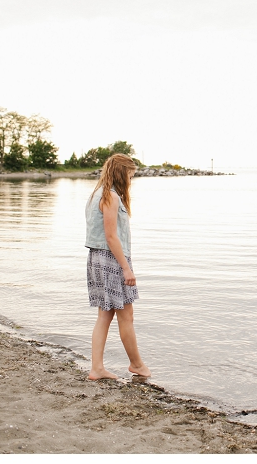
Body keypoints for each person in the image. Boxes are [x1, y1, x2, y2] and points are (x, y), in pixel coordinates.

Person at [84, 153, 151, 380]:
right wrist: (126, 268)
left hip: (98, 258)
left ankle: (97, 368)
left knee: (105, 315)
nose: (131, 181)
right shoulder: (110, 197)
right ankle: (137, 365)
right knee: (126, 315)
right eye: (130, 176)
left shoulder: (96, 195)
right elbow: (112, 237)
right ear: (122, 174)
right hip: (112, 260)